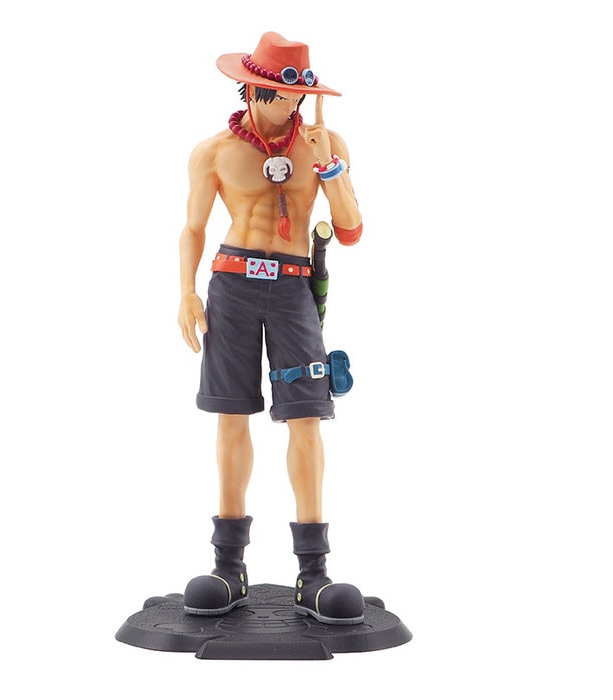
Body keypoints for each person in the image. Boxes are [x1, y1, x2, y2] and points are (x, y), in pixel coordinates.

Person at [177, 32, 365, 625]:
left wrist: (328, 163)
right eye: (283, 93)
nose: (294, 104)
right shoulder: (214, 151)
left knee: (306, 416)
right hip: (232, 285)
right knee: (231, 415)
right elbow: (193, 229)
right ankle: (228, 565)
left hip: (292, 288)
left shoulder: (324, 145)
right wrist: (186, 291)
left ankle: (314, 572)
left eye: (300, 94)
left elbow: (351, 229)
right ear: (255, 89)